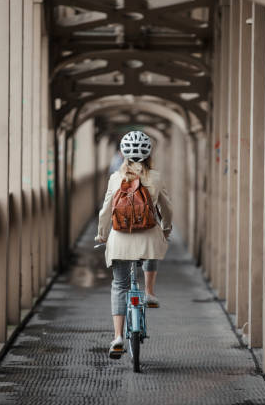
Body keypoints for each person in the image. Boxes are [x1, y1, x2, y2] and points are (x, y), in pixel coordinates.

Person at [95, 130, 172, 359]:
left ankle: (118, 336)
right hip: (148, 238)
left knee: (120, 285)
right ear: (149, 154)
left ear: (123, 154)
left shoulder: (116, 178)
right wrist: (166, 229)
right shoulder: (156, 178)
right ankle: (148, 292)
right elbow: (167, 210)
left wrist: (102, 235)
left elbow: (105, 212)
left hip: (120, 240)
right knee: (153, 243)